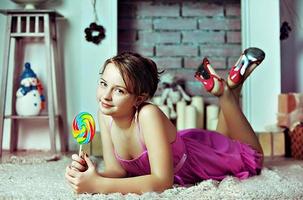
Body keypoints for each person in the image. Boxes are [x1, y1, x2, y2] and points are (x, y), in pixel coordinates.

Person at [65, 48, 265, 194]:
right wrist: (91, 175)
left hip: (196, 163)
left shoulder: (147, 114)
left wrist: (99, 186)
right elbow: (116, 170)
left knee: (252, 158)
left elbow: (163, 181)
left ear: (139, 98)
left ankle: (224, 92)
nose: (105, 96)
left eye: (119, 90)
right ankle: (232, 85)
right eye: (103, 84)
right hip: (191, 145)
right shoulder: (105, 115)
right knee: (223, 140)